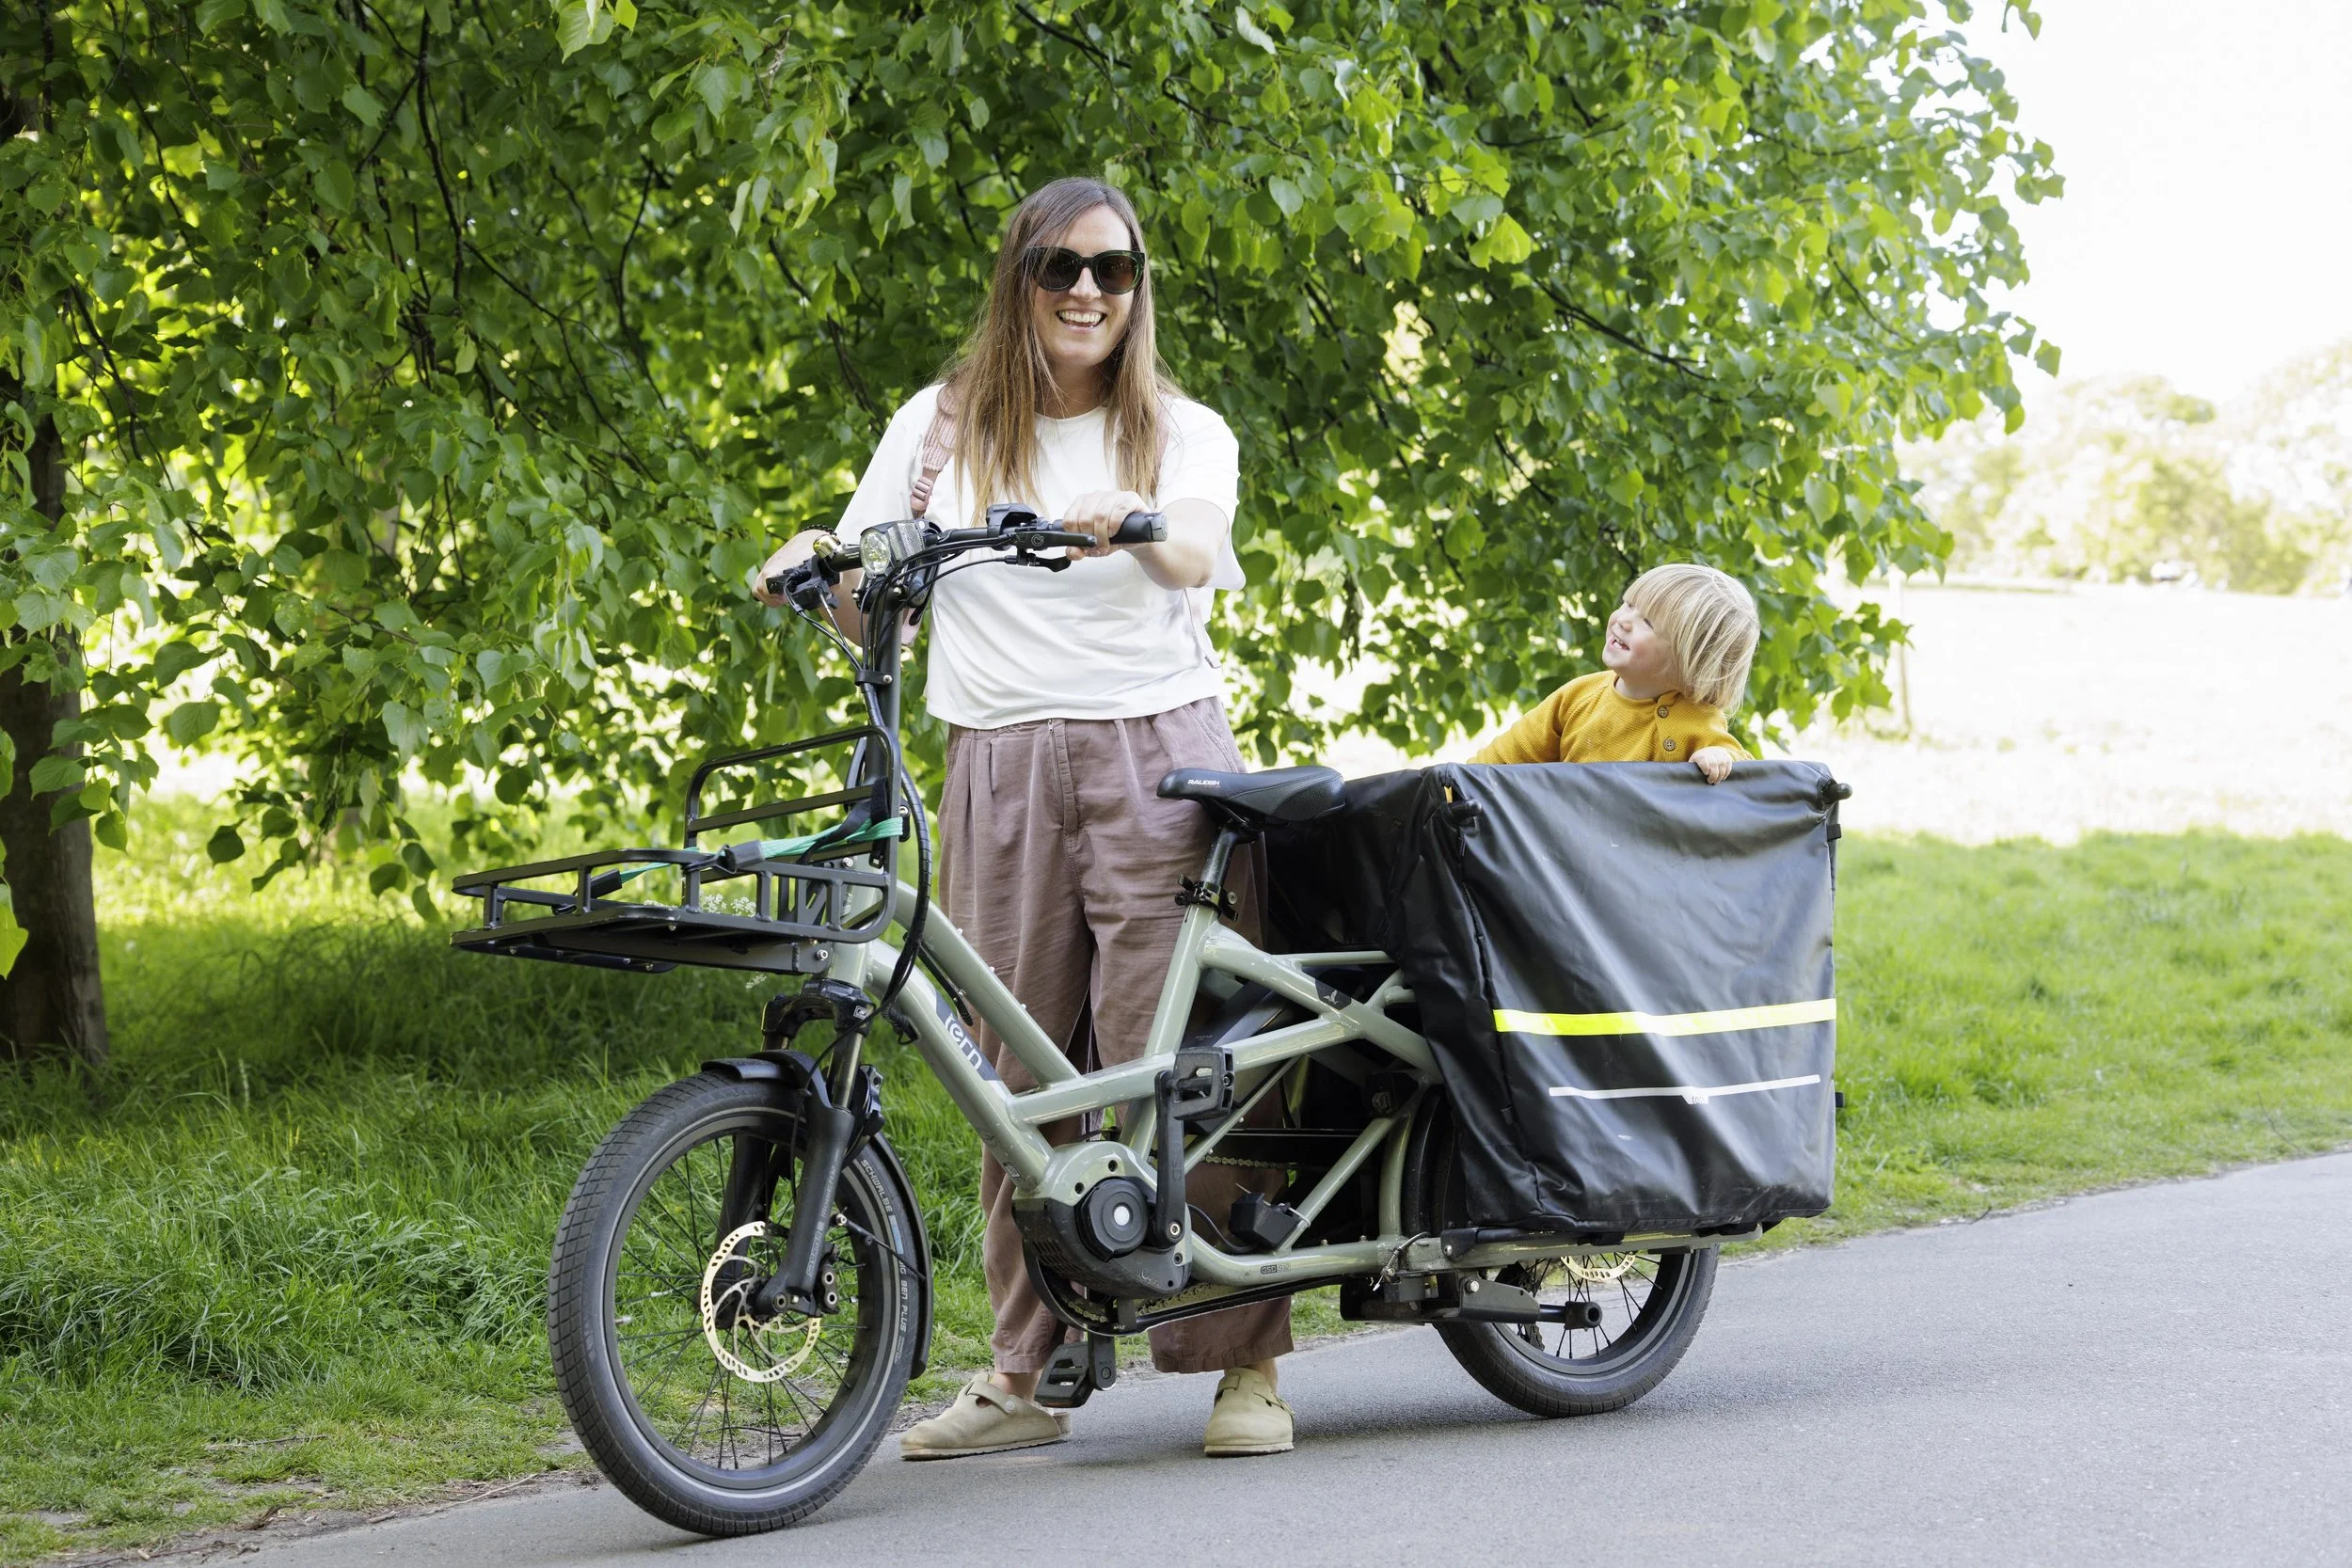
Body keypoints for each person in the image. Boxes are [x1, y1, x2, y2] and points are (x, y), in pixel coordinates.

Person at [753, 178, 1296, 1461]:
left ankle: (1246, 1364)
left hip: (1155, 752)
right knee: (1012, 1074)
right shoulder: (940, 432)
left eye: (1113, 268)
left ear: (1139, 285)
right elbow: (870, 597)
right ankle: (1023, 1371)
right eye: (1058, 267)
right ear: (1019, 278)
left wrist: (1141, 521)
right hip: (993, 760)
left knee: (1190, 1060)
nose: (1086, 292)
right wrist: (812, 569)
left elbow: (1199, 549)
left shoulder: (1177, 426)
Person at [1473, 562, 1758, 781]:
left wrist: (1721, 758)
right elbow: (1503, 758)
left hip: (1640, 853)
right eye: (1628, 604)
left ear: (1692, 664)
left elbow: (1749, 779)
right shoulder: (1579, 696)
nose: (1623, 620)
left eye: (1647, 622)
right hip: (1564, 843)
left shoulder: (1694, 718)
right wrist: (1448, 793)